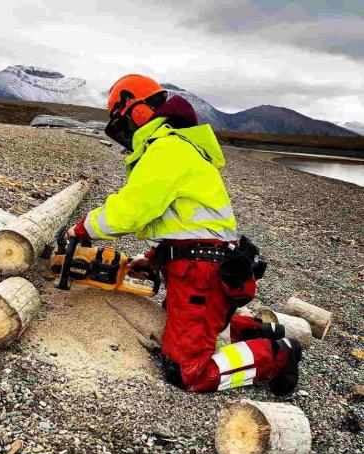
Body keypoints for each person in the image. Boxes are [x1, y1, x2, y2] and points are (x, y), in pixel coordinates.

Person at [68, 74, 302, 395]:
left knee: (189, 373)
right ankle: (251, 332)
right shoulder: (176, 146)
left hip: (201, 274)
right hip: (202, 268)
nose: (123, 134)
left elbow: (131, 210)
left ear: (137, 112)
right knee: (185, 330)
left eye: (121, 125)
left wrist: (82, 228)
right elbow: (181, 223)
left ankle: (278, 356)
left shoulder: (166, 149)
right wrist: (153, 259)